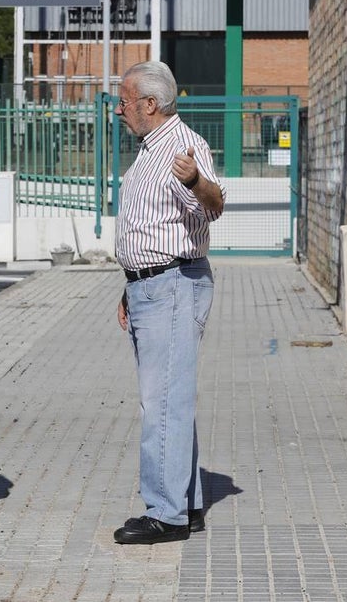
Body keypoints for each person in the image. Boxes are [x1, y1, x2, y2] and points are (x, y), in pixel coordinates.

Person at [111, 61, 225, 545]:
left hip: (172, 284)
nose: (119, 110)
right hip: (149, 286)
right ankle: (188, 503)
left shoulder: (183, 146)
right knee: (168, 399)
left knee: (161, 402)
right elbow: (149, 228)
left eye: (125, 101)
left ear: (150, 105)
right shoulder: (148, 150)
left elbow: (214, 205)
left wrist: (197, 180)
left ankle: (167, 514)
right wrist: (129, 284)